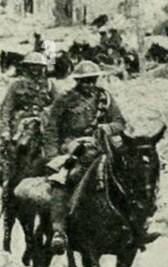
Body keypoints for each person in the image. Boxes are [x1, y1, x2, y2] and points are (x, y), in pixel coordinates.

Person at [43, 61, 135, 254]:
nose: (89, 85)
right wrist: (52, 156)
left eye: (92, 80)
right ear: (78, 81)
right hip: (73, 144)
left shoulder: (105, 98)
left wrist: (107, 128)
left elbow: (120, 122)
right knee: (65, 177)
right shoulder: (64, 99)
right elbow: (51, 128)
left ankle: (135, 220)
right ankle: (59, 229)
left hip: (101, 142)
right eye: (84, 81)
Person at [1, 53, 55, 256]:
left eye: (38, 67)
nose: (35, 71)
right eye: (32, 67)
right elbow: (5, 110)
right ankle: (9, 190)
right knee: (12, 162)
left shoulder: (50, 87)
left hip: (44, 129)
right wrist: (6, 132)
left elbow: (58, 109)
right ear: (26, 68)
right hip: (20, 131)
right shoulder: (16, 87)